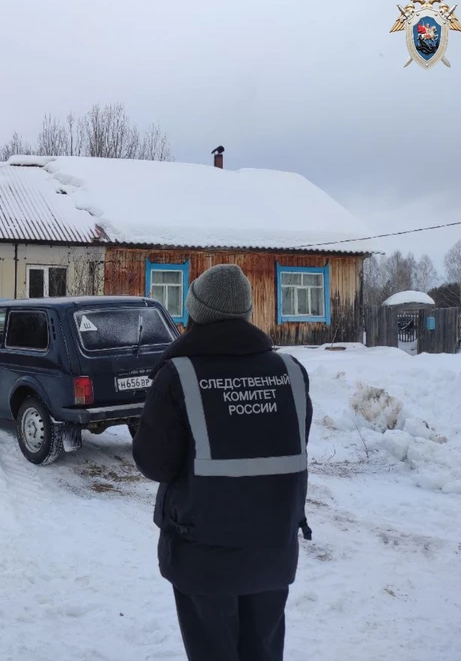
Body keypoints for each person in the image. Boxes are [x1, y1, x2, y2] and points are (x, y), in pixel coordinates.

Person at [132, 264, 312, 661]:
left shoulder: (178, 375)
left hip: (203, 558)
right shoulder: (291, 372)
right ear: (247, 313)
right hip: (273, 551)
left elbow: (154, 464)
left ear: (195, 313)